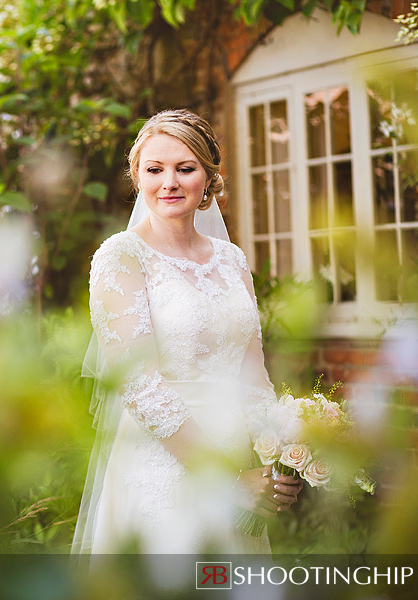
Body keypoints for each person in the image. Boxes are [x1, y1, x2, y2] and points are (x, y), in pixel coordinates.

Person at [72, 109, 303, 554]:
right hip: (164, 464)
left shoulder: (232, 259)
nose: (169, 182)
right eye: (155, 169)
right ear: (137, 177)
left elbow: (253, 376)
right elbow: (139, 385)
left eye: (185, 168)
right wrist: (228, 480)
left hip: (236, 454)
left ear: (208, 177)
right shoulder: (121, 257)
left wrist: (280, 456)